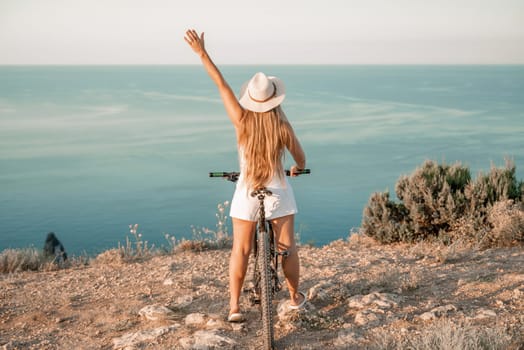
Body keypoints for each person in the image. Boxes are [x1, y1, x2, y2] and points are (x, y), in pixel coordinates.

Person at [184, 29, 307, 322]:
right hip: (278, 192)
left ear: (250, 99)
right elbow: (301, 159)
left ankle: (234, 307)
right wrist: (296, 169)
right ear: (275, 100)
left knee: (239, 248)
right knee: (287, 248)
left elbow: (221, 84)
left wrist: (202, 53)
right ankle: (293, 297)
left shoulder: (241, 121)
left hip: (247, 192)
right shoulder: (282, 127)